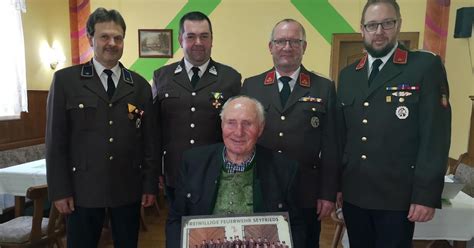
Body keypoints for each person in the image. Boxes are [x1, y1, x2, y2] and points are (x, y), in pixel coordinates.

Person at [336, 0, 451, 247]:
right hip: (355, 194)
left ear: (398, 24)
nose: (379, 32)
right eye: (372, 25)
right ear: (362, 29)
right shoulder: (348, 75)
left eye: (387, 23)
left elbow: (435, 137)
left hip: (397, 197)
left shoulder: (424, 66)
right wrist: (336, 186)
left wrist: (426, 195)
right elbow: (341, 136)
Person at [45, 7, 158, 247]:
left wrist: (149, 185)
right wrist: (59, 190)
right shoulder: (67, 81)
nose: (112, 43)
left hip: (127, 189)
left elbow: (149, 141)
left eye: (118, 37)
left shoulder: (139, 86)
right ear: (90, 39)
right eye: (104, 36)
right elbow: (56, 142)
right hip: (82, 191)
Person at [241, 19, 339, 247]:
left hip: (306, 192)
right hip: (261, 187)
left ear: (304, 47)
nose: (287, 47)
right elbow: (241, 138)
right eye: (281, 41)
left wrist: (328, 193)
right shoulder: (252, 86)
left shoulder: (323, 87)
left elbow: (332, 144)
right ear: (271, 46)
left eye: (295, 41)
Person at [166, 96, 304, 248]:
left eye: (247, 124)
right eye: (231, 123)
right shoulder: (193, 162)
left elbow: (296, 227)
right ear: (222, 125)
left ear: (261, 128)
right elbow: (176, 220)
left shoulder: (285, 169)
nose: (239, 132)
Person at [152, 11, 241, 204]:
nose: (198, 42)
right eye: (191, 36)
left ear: (211, 40)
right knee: (177, 228)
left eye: (204, 36)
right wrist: (155, 171)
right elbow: (154, 129)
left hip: (217, 171)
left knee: (213, 232)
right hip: (175, 171)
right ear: (180, 40)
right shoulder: (162, 76)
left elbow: (238, 130)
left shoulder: (230, 78)